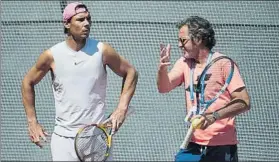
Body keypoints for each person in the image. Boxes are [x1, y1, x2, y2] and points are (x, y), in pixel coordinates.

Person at [21, 2, 138, 161]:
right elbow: (27, 82)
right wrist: (32, 122)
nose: (87, 23)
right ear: (67, 23)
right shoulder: (51, 55)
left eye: (89, 19)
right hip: (63, 141)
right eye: (80, 19)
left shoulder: (102, 50)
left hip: (96, 138)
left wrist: (121, 109)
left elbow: (131, 72)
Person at [157, 16, 250, 162]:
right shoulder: (184, 63)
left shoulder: (223, 63)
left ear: (198, 39)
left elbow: (243, 102)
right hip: (193, 143)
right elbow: (163, 87)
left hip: (222, 146)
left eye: (183, 40)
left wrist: (214, 116)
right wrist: (162, 68)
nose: (179, 45)